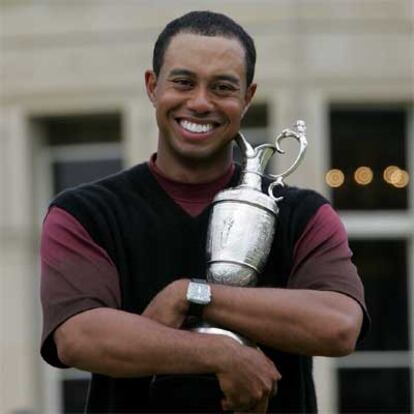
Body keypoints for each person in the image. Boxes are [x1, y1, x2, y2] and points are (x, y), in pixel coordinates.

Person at [40, 10, 369, 413]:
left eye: (222, 87)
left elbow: (339, 326)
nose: (199, 102)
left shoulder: (302, 214)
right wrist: (219, 353)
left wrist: (193, 296)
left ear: (247, 98)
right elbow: (80, 337)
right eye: (183, 82)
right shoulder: (84, 213)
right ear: (152, 86)